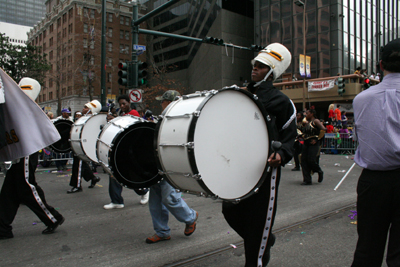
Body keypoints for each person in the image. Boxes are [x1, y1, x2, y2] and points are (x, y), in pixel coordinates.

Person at [222, 43, 297, 267]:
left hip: (265, 173)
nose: (255, 69)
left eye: (262, 67)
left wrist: (281, 154)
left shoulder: (282, 102)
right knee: (230, 210)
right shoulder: (240, 95)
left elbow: (290, 139)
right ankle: (266, 237)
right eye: (255, 65)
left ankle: (259, 246)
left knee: (257, 232)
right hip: (239, 168)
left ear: (271, 73)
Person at [351, 38, 400, 267]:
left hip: (373, 181)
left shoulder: (361, 99)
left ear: (381, 65)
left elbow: (359, 138)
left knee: (367, 250)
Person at [0, 78, 64, 239]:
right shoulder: (15, 107)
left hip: (28, 150)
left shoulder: (29, 108)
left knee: (25, 186)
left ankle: (52, 217)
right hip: (18, 150)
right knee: (9, 191)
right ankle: (2, 227)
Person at [146, 90, 198, 244]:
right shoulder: (163, 118)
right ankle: (162, 232)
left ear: (168, 102)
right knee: (155, 202)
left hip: (171, 165)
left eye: (162, 101)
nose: (160, 103)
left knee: (170, 198)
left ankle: (191, 217)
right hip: (157, 165)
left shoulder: (181, 119)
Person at [103, 95, 150, 209]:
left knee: (127, 174)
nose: (122, 106)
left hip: (130, 150)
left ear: (129, 103)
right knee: (115, 173)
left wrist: (114, 119)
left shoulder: (133, 113)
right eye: (121, 104)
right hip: (122, 149)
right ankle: (116, 200)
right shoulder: (122, 114)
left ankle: (143, 191)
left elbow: (128, 127)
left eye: (124, 103)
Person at [67, 102, 101, 194]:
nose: (83, 109)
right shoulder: (84, 119)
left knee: (78, 166)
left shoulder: (92, 120)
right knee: (81, 164)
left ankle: (77, 185)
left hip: (84, 146)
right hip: (79, 145)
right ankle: (93, 178)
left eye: (86, 107)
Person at [300, 109, 326, 185]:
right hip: (306, 142)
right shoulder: (306, 122)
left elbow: (323, 129)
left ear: (312, 114)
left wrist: (317, 139)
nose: (306, 115)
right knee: (303, 160)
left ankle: (319, 171)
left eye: (307, 113)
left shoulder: (316, 121)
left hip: (313, 143)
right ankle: (307, 179)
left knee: (311, 160)